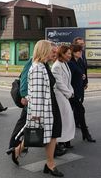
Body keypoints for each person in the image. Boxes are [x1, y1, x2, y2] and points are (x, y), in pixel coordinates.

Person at [25, 40, 63, 177]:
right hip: (44, 108)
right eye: (51, 50)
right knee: (45, 135)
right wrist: (35, 114)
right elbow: (35, 94)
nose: (54, 53)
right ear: (44, 50)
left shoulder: (43, 65)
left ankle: (49, 163)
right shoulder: (36, 68)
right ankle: (50, 164)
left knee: (53, 134)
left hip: (50, 104)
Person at [68, 44, 96, 143]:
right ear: (73, 52)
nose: (81, 52)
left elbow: (83, 72)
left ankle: (84, 134)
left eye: (81, 51)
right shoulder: (70, 63)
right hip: (71, 93)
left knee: (80, 112)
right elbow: (68, 79)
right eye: (78, 51)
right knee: (73, 114)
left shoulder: (80, 61)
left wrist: (83, 78)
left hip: (78, 92)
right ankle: (84, 134)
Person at [51, 45, 75, 148]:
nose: (70, 55)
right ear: (62, 54)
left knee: (67, 118)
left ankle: (65, 141)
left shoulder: (64, 63)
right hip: (59, 96)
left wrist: (71, 91)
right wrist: (69, 93)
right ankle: (59, 142)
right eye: (68, 53)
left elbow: (68, 81)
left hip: (65, 94)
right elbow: (59, 83)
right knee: (63, 119)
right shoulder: (56, 66)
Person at [72, 37, 88, 127]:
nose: (82, 46)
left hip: (81, 84)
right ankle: (76, 122)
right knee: (77, 106)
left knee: (80, 102)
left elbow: (85, 70)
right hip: (75, 86)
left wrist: (86, 82)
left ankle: (77, 121)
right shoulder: (71, 60)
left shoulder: (83, 54)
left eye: (83, 44)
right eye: (80, 44)